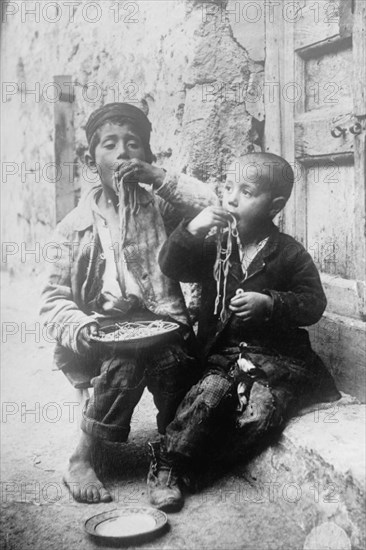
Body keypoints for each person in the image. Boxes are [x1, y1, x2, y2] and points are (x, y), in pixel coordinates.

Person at [40, 102, 217, 509]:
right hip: (101, 333)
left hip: (162, 325)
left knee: (172, 365)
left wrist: (160, 180)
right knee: (123, 363)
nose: (123, 153)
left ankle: (168, 457)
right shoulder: (74, 227)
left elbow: (209, 203)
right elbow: (52, 302)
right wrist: (83, 326)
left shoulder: (161, 208)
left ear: (147, 157)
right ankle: (83, 458)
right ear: (91, 158)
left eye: (133, 144)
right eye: (110, 144)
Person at [159, 152, 341, 508]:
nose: (231, 197)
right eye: (229, 187)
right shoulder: (216, 245)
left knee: (260, 415)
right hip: (223, 356)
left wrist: (271, 303)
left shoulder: (288, 252)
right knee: (207, 398)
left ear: (275, 205)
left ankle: (205, 468)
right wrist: (192, 229)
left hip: (277, 362)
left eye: (246, 191)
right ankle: (168, 463)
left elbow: (313, 302)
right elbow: (171, 265)